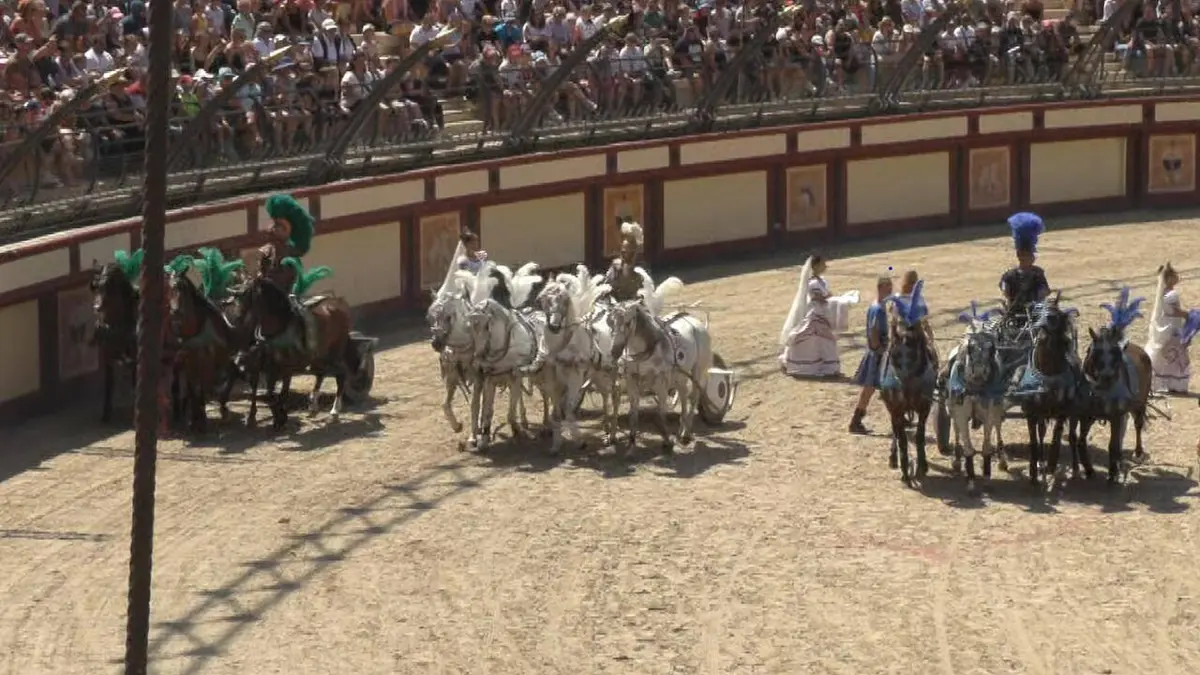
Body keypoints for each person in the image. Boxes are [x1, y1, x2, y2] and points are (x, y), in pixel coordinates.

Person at [779, 255, 842, 377]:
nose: (825, 266)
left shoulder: (822, 281)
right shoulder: (813, 283)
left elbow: (826, 295)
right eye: (823, 264)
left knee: (823, 340)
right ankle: (823, 365)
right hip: (815, 313)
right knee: (823, 339)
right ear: (816, 266)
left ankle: (825, 365)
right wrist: (829, 298)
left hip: (822, 313)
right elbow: (817, 297)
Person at [850, 275, 893, 433]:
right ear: (881, 288)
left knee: (879, 388)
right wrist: (878, 349)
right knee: (870, 389)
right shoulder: (878, 308)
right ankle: (855, 422)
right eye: (888, 288)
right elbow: (874, 330)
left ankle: (899, 418)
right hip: (877, 354)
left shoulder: (877, 306)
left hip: (876, 353)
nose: (890, 291)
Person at [1146, 262, 1193, 393]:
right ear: (1169, 278)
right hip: (1172, 328)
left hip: (1165, 327)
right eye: (1174, 275)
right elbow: (1175, 311)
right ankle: (1175, 384)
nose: (1177, 277)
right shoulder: (1172, 294)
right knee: (1176, 355)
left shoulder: (1163, 293)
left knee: (1164, 355)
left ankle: (1162, 380)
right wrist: (1189, 315)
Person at [260, 193, 315, 292]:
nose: (272, 228)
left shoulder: (289, 259)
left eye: (279, 225)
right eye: (274, 223)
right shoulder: (269, 250)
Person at [999, 212, 1051, 316]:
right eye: (1028, 255)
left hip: (1022, 311)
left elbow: (1005, 291)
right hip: (1024, 312)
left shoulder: (1011, 274)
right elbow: (1044, 292)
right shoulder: (1035, 273)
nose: (1031, 258)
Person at [604, 219, 645, 302]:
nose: (627, 254)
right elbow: (607, 289)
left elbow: (641, 294)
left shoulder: (638, 277)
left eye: (632, 252)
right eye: (624, 252)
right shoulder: (615, 268)